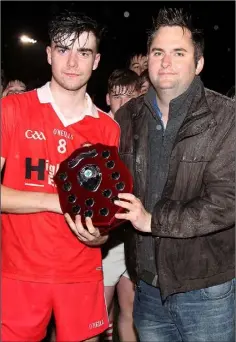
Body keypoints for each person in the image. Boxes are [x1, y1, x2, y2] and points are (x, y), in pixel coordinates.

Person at [111, 7, 234, 342]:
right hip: (147, 289)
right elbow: (114, 189)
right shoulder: (127, 118)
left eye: (179, 53)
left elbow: (226, 201)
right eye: (158, 52)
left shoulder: (226, 118)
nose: (166, 62)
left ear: (198, 64)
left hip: (206, 290)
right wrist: (99, 229)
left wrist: (154, 221)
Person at [1, 11, 120, 342]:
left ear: (95, 61)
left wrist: (101, 235)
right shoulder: (12, 110)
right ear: (49, 53)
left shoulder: (108, 129)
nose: (72, 61)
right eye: (63, 49)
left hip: (82, 273)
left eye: (83, 52)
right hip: (18, 273)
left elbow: (104, 210)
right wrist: (55, 202)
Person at [103, 68, 140, 341]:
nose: (123, 102)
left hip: (136, 235)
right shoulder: (98, 128)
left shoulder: (146, 132)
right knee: (99, 315)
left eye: (129, 95)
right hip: (107, 238)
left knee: (130, 312)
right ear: (107, 99)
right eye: (117, 96)